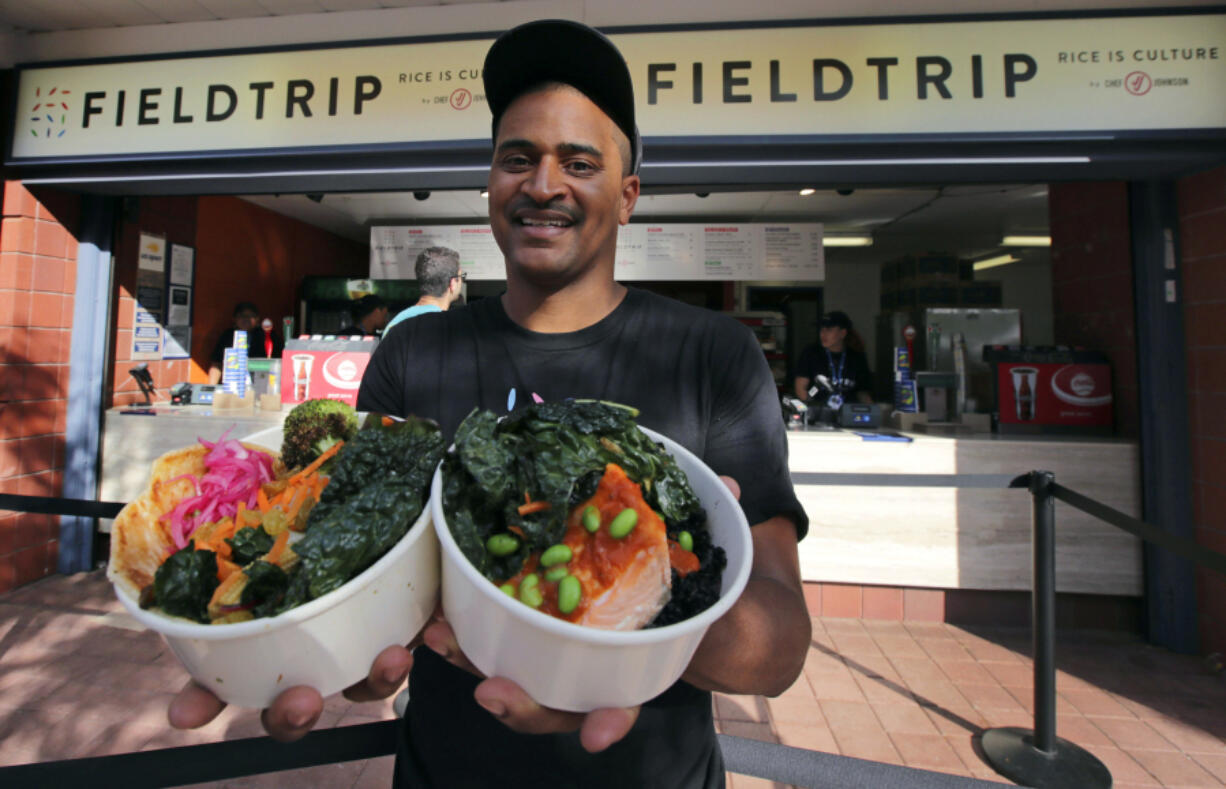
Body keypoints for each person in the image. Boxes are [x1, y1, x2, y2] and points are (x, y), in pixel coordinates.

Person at [168, 20, 811, 789]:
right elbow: (369, 575)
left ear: (629, 195)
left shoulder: (714, 355)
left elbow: (781, 651)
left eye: (580, 162)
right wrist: (310, 644)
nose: (544, 184)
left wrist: (644, 596)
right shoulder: (414, 354)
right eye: (519, 159)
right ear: (490, 186)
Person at [793, 310, 875, 410]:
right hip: (819, 415)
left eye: (829, 329)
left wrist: (870, 411)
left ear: (842, 333)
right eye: (821, 329)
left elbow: (863, 392)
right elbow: (800, 388)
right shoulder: (811, 353)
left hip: (848, 414)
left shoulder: (856, 356)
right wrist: (810, 410)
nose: (823, 334)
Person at [383, 246, 465, 333]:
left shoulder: (395, 324)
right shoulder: (451, 329)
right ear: (452, 284)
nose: (462, 281)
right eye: (461, 277)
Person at [207, 301, 281, 384]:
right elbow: (216, 365)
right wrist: (211, 389)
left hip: (261, 385)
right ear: (234, 319)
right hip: (233, 384)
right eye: (242, 316)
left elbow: (277, 363)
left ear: (257, 319)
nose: (246, 319)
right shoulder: (227, 336)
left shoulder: (268, 336)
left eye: (251, 316)